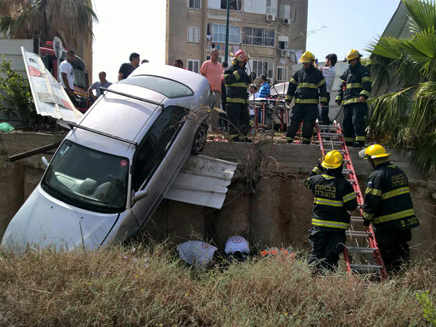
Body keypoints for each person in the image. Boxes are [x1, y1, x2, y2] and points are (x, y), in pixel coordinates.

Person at [362, 144, 419, 274]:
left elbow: (372, 200)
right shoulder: (399, 171)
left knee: (386, 254)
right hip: (405, 222)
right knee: (402, 251)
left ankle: (387, 279)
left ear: (373, 160)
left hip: (387, 224)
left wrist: (366, 218)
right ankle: (402, 277)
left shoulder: (377, 176)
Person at [304, 150, 358, 273]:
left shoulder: (316, 180)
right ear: (340, 165)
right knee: (331, 257)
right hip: (336, 229)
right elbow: (351, 206)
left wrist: (318, 166)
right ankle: (327, 280)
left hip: (319, 226)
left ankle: (312, 279)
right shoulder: (344, 185)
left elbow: (307, 181)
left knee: (316, 254)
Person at [285, 51, 328, 144]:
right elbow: (292, 85)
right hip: (299, 103)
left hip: (311, 104)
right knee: (294, 121)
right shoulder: (299, 73)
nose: (304, 65)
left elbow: (323, 87)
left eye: (306, 63)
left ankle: (306, 141)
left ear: (311, 62)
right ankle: (289, 139)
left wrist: (323, 100)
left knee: (308, 123)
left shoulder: (318, 73)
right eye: (303, 63)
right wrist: (288, 98)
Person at [336, 49, 372, 147]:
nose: (352, 62)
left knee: (357, 121)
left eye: (353, 60)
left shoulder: (363, 70)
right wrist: (339, 97)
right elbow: (342, 86)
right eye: (350, 61)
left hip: (358, 102)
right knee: (346, 122)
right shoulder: (347, 72)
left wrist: (363, 95)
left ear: (358, 59)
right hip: (347, 102)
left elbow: (367, 84)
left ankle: (360, 140)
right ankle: (349, 140)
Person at [223, 50, 251, 142]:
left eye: (244, 63)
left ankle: (243, 137)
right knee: (234, 120)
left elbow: (246, 82)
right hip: (233, 101)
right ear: (236, 61)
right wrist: (238, 73)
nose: (242, 64)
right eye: (241, 62)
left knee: (244, 119)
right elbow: (227, 80)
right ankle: (233, 138)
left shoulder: (243, 71)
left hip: (242, 101)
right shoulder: (229, 69)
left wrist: (251, 77)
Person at [200, 48, 223, 130]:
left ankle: (214, 128)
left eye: (218, 55)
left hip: (217, 91)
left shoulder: (220, 66)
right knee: (207, 110)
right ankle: (204, 128)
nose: (217, 56)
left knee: (215, 111)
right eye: (215, 54)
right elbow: (201, 76)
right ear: (211, 55)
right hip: (209, 91)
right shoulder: (206, 64)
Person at [318, 53, 337, 125]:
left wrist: (313, 62)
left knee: (323, 113)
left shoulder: (330, 70)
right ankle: (324, 130)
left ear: (330, 61)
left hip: (324, 94)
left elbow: (317, 69)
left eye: (326, 60)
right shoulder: (330, 70)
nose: (325, 61)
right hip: (325, 94)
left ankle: (325, 130)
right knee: (322, 113)